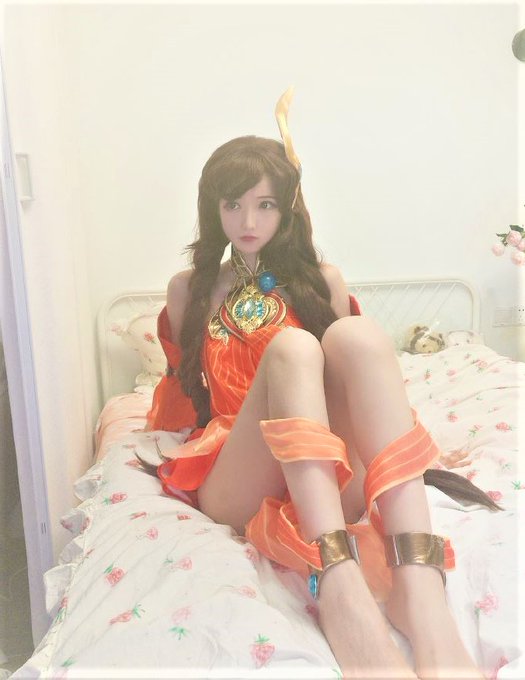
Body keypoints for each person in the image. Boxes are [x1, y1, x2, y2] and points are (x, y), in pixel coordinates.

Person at [141, 90, 497, 679]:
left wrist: (421, 450)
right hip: (240, 473)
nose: (248, 223)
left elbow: (355, 388)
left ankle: (420, 589)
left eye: (265, 205)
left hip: (329, 475)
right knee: (294, 347)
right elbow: (183, 393)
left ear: (287, 210)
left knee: (355, 336)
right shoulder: (189, 289)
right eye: (233, 205)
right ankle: (339, 585)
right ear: (213, 208)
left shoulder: (321, 280)